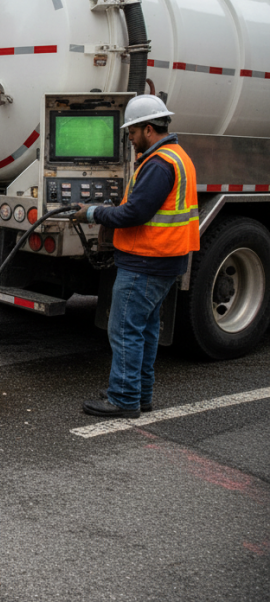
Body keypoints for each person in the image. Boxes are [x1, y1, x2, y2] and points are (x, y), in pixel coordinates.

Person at [74, 95, 199, 419]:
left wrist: (93, 212)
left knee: (125, 330)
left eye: (132, 131)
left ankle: (124, 398)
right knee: (144, 329)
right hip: (164, 259)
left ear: (148, 129)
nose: (129, 138)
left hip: (146, 261)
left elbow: (135, 213)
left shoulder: (158, 164)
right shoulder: (176, 156)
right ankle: (140, 393)